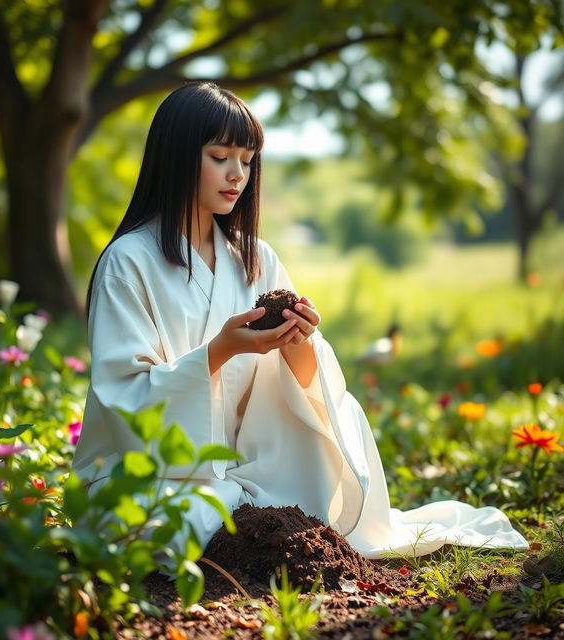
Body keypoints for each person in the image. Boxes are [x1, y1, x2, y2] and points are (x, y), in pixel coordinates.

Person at [72, 82, 528, 560]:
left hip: (239, 465)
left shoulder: (255, 259)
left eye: (247, 161)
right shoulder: (128, 262)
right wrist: (221, 350)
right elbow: (123, 395)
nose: (237, 175)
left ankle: (241, 519)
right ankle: (231, 523)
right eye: (220, 156)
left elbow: (301, 388)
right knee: (174, 518)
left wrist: (296, 343)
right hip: (144, 473)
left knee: (308, 452)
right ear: (177, 156)